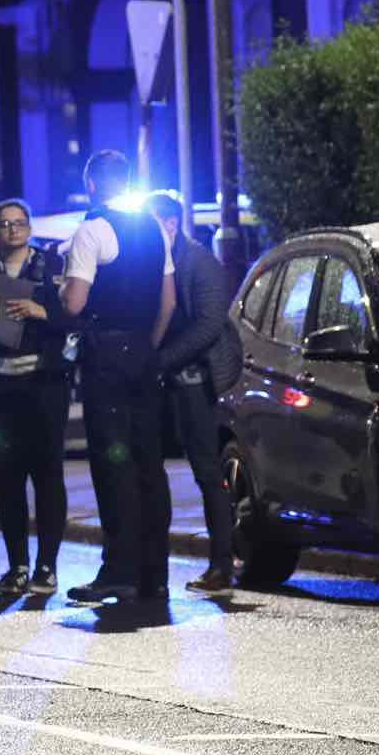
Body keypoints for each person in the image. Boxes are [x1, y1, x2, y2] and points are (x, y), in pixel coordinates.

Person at [58, 151, 177, 604]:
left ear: (91, 184)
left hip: (106, 354)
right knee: (150, 463)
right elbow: (168, 301)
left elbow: (74, 302)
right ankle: (155, 574)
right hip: (144, 352)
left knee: (113, 462)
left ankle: (119, 571)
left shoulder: (91, 230)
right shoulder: (153, 227)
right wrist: (149, 344)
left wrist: (61, 291)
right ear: (127, 182)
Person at [0, 199, 74, 597]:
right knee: (7, 477)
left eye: (19, 223)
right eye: (5, 224)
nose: (13, 230)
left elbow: (75, 314)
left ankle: (47, 566)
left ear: (30, 227)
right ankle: (17, 566)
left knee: (48, 474)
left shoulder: (51, 264)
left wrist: (42, 311)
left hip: (43, 383)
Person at [147, 191, 244, 593]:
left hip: (195, 379)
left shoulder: (200, 263)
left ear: (171, 224)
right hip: (167, 379)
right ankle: (154, 568)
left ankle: (222, 563)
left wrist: (158, 360)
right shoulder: (157, 261)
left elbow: (208, 326)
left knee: (207, 470)